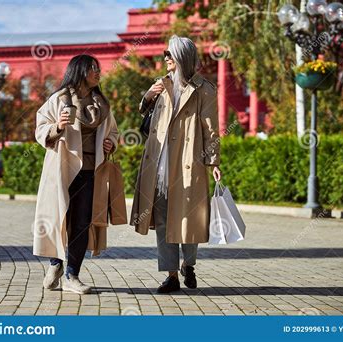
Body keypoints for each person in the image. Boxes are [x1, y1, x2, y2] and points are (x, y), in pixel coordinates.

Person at [130, 35, 221, 293]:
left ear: (182, 57)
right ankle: (171, 276)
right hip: (159, 164)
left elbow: (211, 128)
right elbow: (144, 112)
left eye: (169, 54)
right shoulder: (161, 84)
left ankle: (188, 264)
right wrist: (148, 96)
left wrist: (213, 161)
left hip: (188, 162)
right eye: (164, 54)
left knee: (189, 217)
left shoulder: (205, 89)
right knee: (162, 219)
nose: (165, 59)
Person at [33, 54, 118, 294]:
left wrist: (111, 142)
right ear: (79, 71)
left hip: (92, 172)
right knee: (59, 217)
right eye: (93, 69)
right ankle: (55, 264)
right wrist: (57, 126)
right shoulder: (59, 99)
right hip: (63, 169)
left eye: (98, 69)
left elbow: (113, 131)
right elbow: (40, 129)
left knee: (81, 223)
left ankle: (72, 275)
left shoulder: (101, 103)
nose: (98, 73)